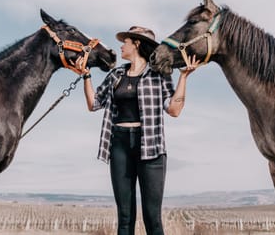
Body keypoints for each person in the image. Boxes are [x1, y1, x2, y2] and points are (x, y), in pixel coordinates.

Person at [75, 26, 199, 235]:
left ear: (137, 44)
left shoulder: (158, 75)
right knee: (125, 217)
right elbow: (94, 103)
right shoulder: (116, 75)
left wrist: (183, 77)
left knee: (152, 218)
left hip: (150, 146)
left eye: (126, 42)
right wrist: (86, 76)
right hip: (119, 145)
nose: (122, 46)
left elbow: (174, 109)